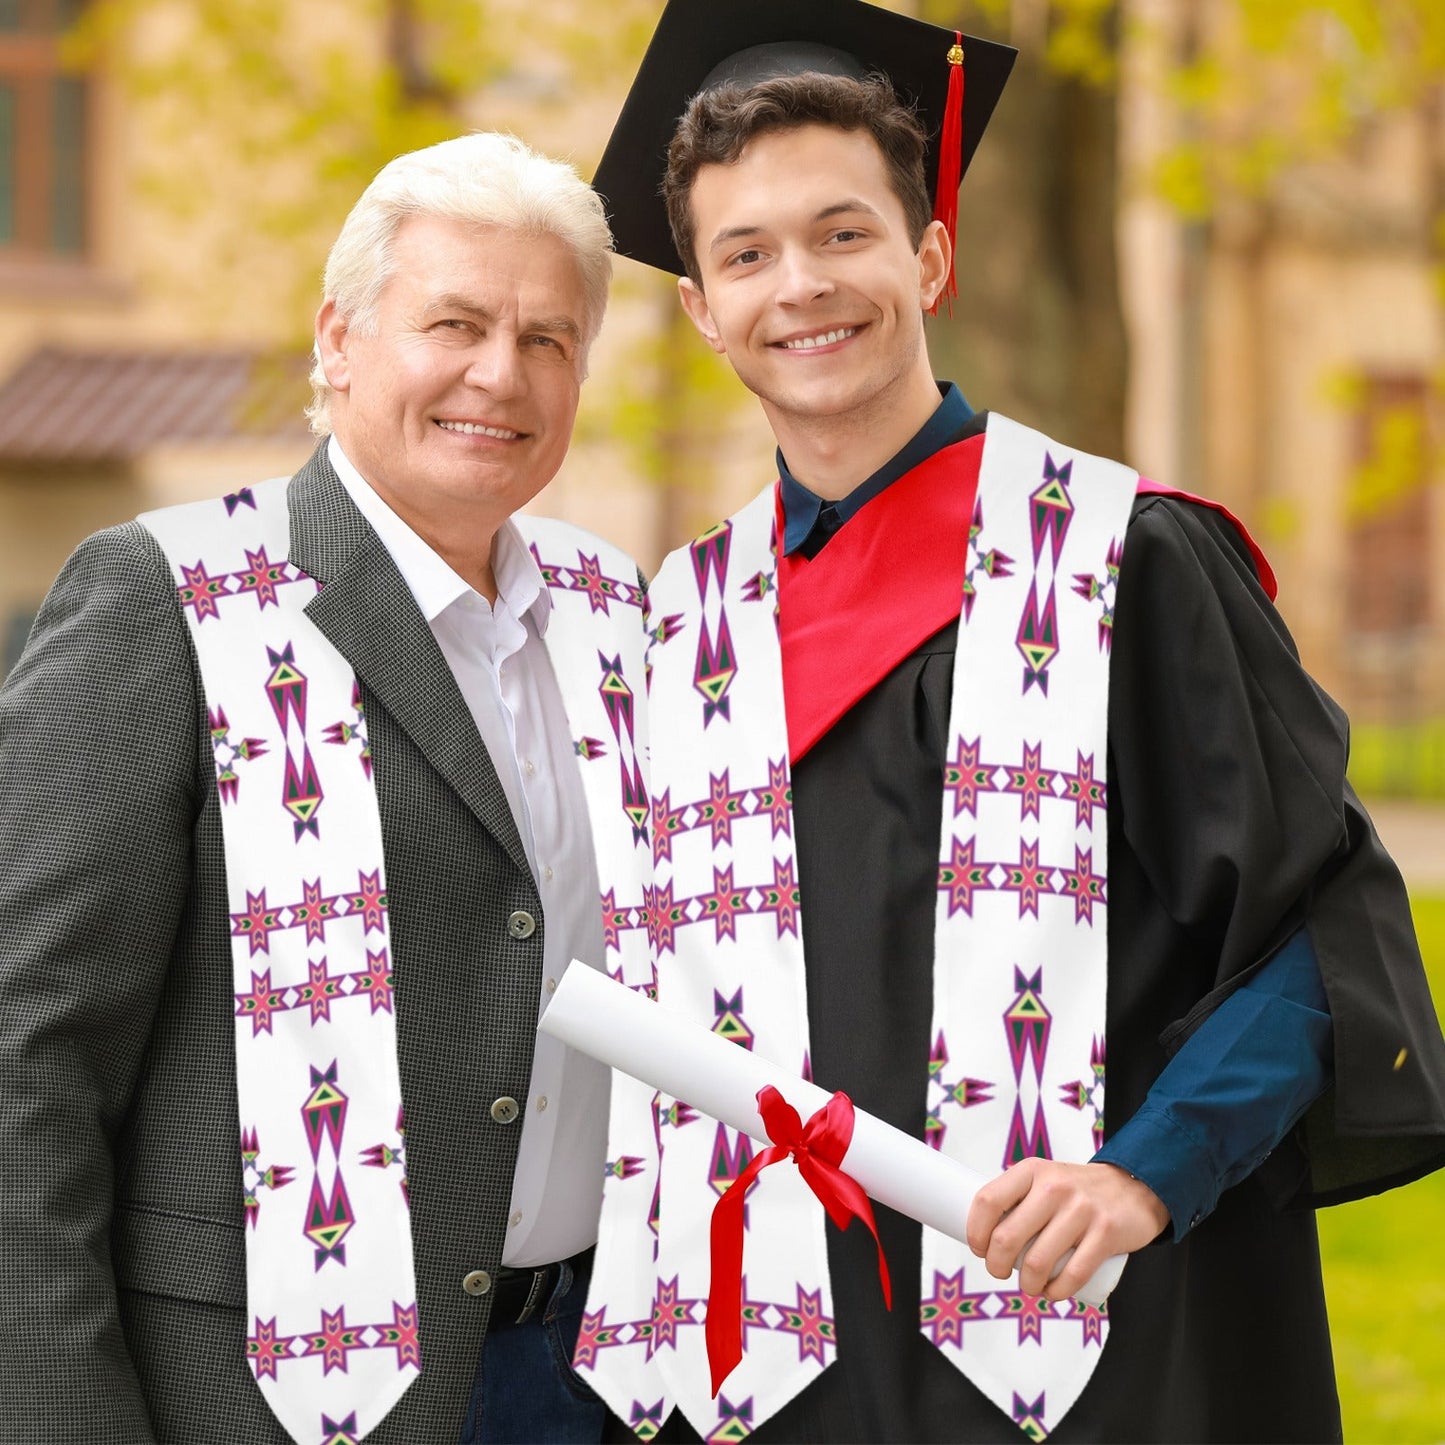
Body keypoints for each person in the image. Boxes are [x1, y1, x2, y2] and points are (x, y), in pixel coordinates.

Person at [571, 2, 1445, 1441]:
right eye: (747, 253)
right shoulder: (683, 627)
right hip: (780, 1370)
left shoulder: (1122, 562)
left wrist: (1144, 1173)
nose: (801, 285)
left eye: (843, 233)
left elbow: (1320, 931)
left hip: (1089, 1346)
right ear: (703, 310)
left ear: (929, 256)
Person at [0, 132, 653, 1445]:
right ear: (339, 340)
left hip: (591, 1378)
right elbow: (29, 1057)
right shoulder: (171, 598)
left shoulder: (618, 616)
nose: (500, 373)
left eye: (547, 339)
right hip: (262, 1397)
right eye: (454, 323)